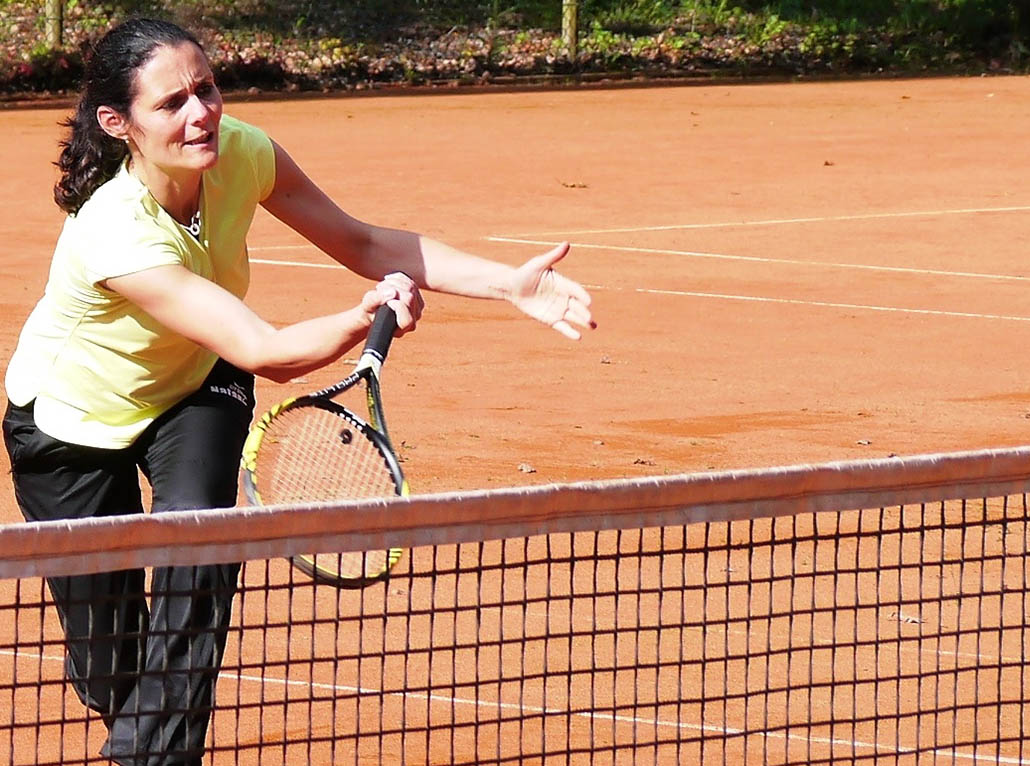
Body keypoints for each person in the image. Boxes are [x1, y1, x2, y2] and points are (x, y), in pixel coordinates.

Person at [2, 17, 595, 766]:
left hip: (195, 386)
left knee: (199, 544)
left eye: (207, 89)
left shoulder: (242, 150)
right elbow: (267, 351)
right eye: (173, 103)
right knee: (113, 672)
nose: (201, 114)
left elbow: (362, 242)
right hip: (70, 427)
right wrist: (358, 319)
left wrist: (506, 283)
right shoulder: (115, 230)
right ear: (119, 123)